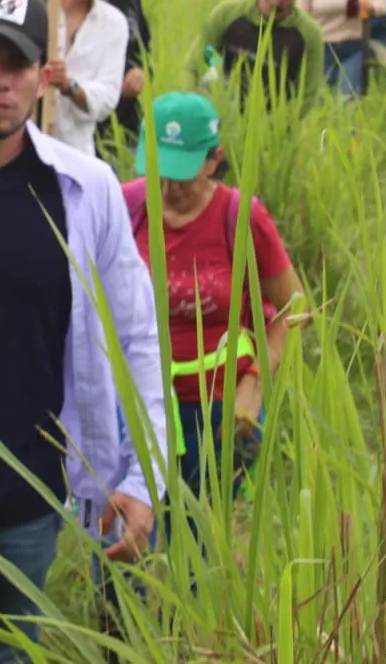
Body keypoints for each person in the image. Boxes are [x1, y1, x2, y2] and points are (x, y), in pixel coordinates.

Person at [0, 0, 166, 663]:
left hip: (25, 487)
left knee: (2, 650)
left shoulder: (85, 189)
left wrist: (144, 476)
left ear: (42, 76)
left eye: (16, 64)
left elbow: (137, 336)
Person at [122, 92, 306, 516]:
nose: (167, 187)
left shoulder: (240, 216)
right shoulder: (124, 205)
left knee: (202, 545)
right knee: (124, 541)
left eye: (181, 173)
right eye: (157, 171)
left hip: (218, 412)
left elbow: (293, 308)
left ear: (213, 159)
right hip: (138, 404)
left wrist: (254, 385)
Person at [12, 0, 132, 157]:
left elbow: (107, 98)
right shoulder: (28, 5)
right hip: (18, 149)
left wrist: (69, 85)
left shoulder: (113, 23)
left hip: (76, 155)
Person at [189, 0, 323, 107]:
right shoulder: (228, 12)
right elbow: (192, 66)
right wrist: (191, 107)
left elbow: (307, 95)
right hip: (221, 107)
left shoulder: (309, 33)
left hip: (273, 116)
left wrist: (273, 126)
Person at [101, 0, 153, 154]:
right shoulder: (87, 0)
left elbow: (142, 47)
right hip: (92, 122)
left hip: (126, 120)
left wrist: (140, 73)